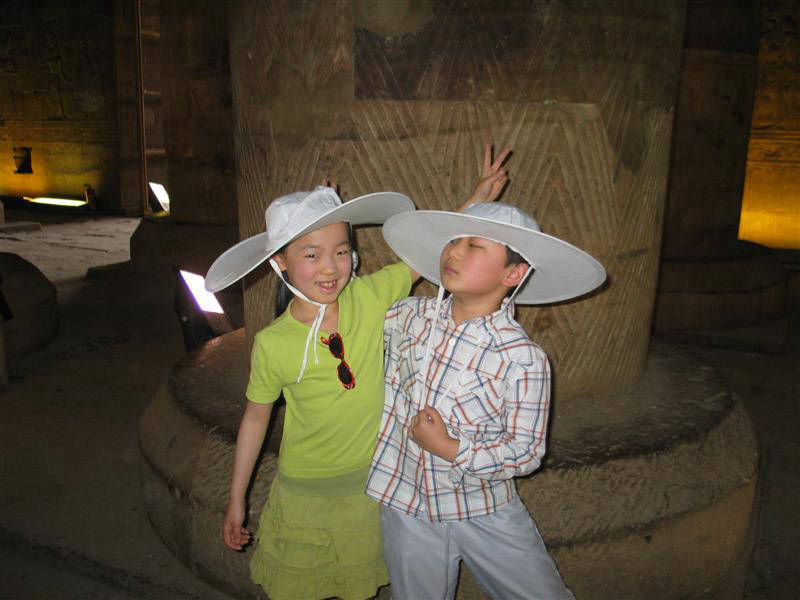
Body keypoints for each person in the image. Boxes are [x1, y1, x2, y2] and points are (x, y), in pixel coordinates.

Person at [205, 144, 510, 600]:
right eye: (311, 255)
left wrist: (476, 199)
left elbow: (428, 253)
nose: (331, 267)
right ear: (279, 261)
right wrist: (236, 499)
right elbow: (254, 419)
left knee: (358, 590)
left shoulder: (368, 297)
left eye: (341, 250)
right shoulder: (273, 343)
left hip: (369, 489)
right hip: (303, 494)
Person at [366, 200, 607, 599]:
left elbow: (526, 451)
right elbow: (354, 315)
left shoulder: (522, 358)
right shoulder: (408, 318)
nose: (454, 252)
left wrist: (451, 448)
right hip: (406, 503)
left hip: (483, 507)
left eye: (475, 245)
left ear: (513, 273)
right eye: (453, 241)